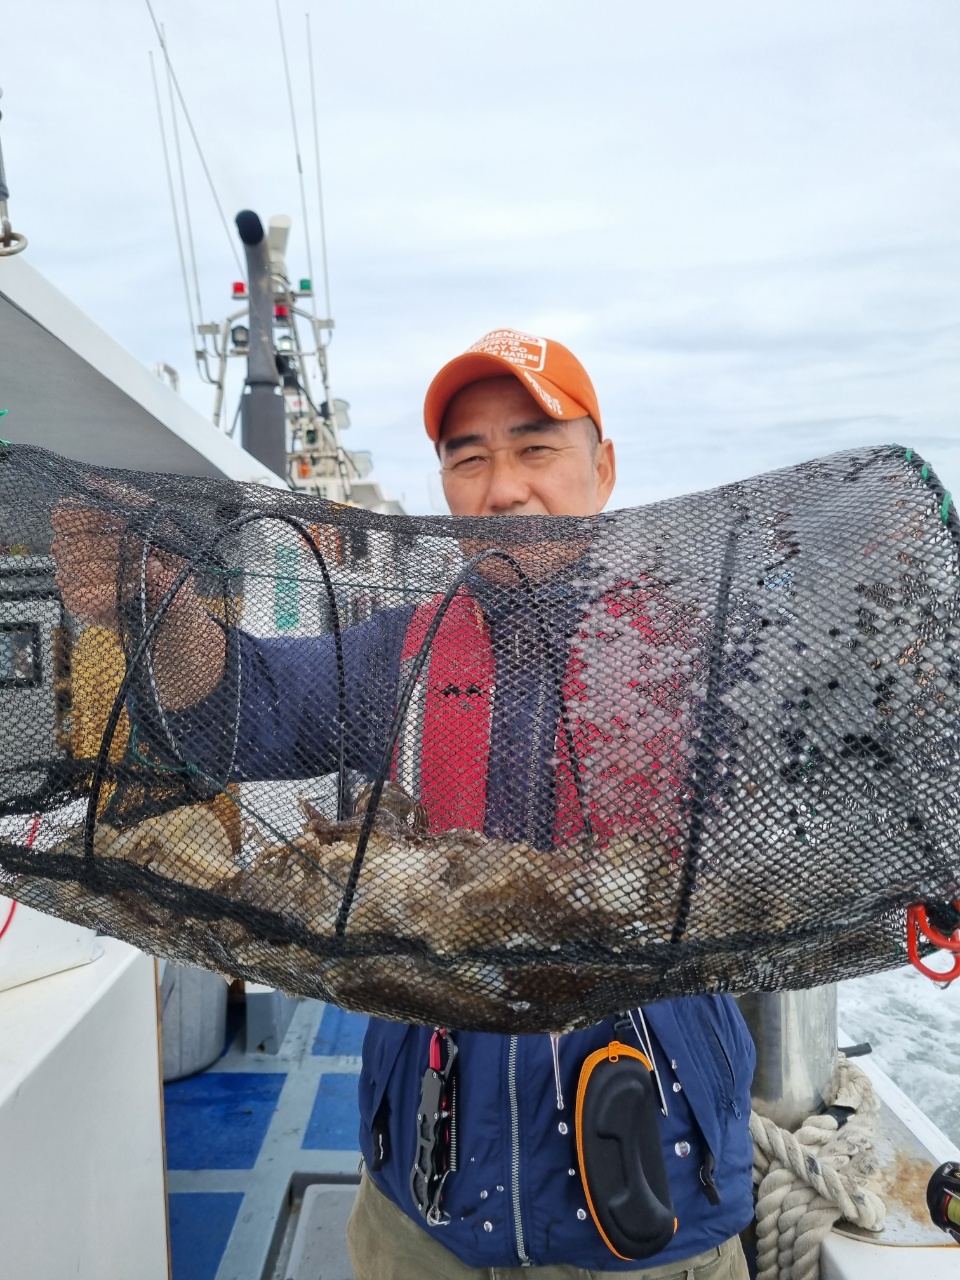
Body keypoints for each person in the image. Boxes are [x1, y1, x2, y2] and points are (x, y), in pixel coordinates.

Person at [54, 329, 755, 1279]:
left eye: (536, 448)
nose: (504, 490)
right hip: (426, 1195)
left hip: (652, 1195)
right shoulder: (403, 653)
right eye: (469, 460)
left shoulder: (703, 651)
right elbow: (240, 710)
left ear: (605, 469)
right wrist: (157, 607)